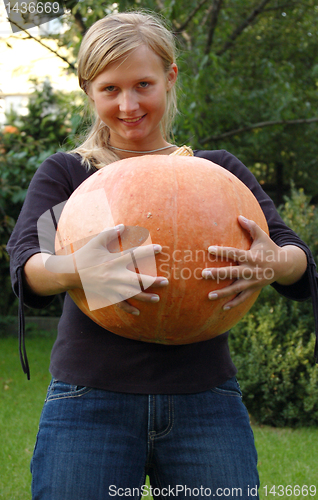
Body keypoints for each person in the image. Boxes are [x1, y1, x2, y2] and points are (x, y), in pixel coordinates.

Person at [7, 10, 318, 500]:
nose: (128, 104)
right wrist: (75, 268)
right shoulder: (69, 176)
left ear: (170, 78)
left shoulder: (218, 173)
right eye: (110, 89)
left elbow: (295, 257)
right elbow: (27, 267)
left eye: (143, 84)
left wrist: (273, 263)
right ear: (89, 89)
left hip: (206, 398)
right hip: (89, 400)